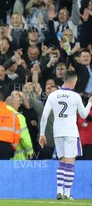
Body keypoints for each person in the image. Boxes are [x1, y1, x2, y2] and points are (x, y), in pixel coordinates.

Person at [40, 70, 92, 201]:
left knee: (61, 162)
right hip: (70, 132)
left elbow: (44, 116)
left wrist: (42, 134)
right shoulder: (75, 96)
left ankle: (59, 191)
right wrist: (90, 102)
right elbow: (84, 115)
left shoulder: (53, 95)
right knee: (70, 163)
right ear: (73, 81)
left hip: (58, 132)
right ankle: (67, 193)